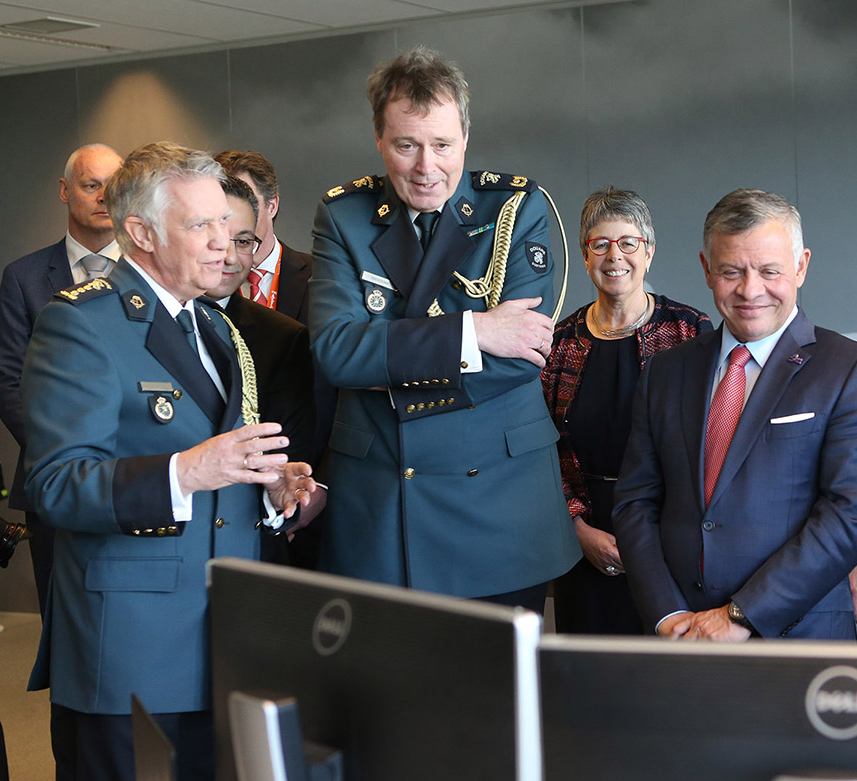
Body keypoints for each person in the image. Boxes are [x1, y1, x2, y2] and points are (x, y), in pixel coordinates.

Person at [22, 141, 316, 781]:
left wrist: (268, 488)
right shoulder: (82, 325)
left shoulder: (213, 327)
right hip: (131, 649)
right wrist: (185, 471)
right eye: (201, 226)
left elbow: (220, 473)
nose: (225, 241)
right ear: (141, 233)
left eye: (226, 222)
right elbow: (55, 485)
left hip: (222, 643)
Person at [309, 46, 579, 611]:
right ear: (379, 139)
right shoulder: (343, 216)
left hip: (499, 504)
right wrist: (472, 333)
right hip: (383, 506)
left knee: (501, 695)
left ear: (466, 138)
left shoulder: (516, 208)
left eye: (442, 145)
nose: (426, 167)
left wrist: (385, 360)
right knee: (391, 694)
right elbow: (335, 352)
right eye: (406, 145)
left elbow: (521, 355)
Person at [613, 189, 857, 640]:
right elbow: (635, 503)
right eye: (731, 271)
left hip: (795, 637)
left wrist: (741, 615)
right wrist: (665, 613)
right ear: (707, 269)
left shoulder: (851, 370)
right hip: (679, 636)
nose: (750, 290)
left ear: (801, 266)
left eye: (769, 271)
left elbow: (851, 513)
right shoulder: (667, 371)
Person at [541, 187, 711, 634]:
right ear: (584, 255)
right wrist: (575, 528)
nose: (615, 255)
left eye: (628, 242)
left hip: (670, 537)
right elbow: (539, 450)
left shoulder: (690, 331)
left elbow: (711, 443)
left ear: (649, 252)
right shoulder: (558, 343)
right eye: (600, 243)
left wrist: (654, 537)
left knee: (667, 685)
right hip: (582, 540)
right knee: (589, 682)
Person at [0, 143, 123, 615]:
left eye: (115, 186)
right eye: (92, 186)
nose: (105, 197)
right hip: (51, 475)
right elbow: (9, 381)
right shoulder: (24, 277)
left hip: (134, 473)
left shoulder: (149, 271)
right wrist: (65, 453)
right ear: (66, 192)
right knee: (61, 609)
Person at [202, 175, 324, 562]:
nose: (230, 256)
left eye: (243, 242)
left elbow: (291, 456)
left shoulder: (283, 337)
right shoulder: (135, 323)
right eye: (218, 239)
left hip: (251, 545)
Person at [212, 149, 312, 324]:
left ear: (271, 206)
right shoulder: (202, 277)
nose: (232, 216)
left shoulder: (319, 275)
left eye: (247, 201)